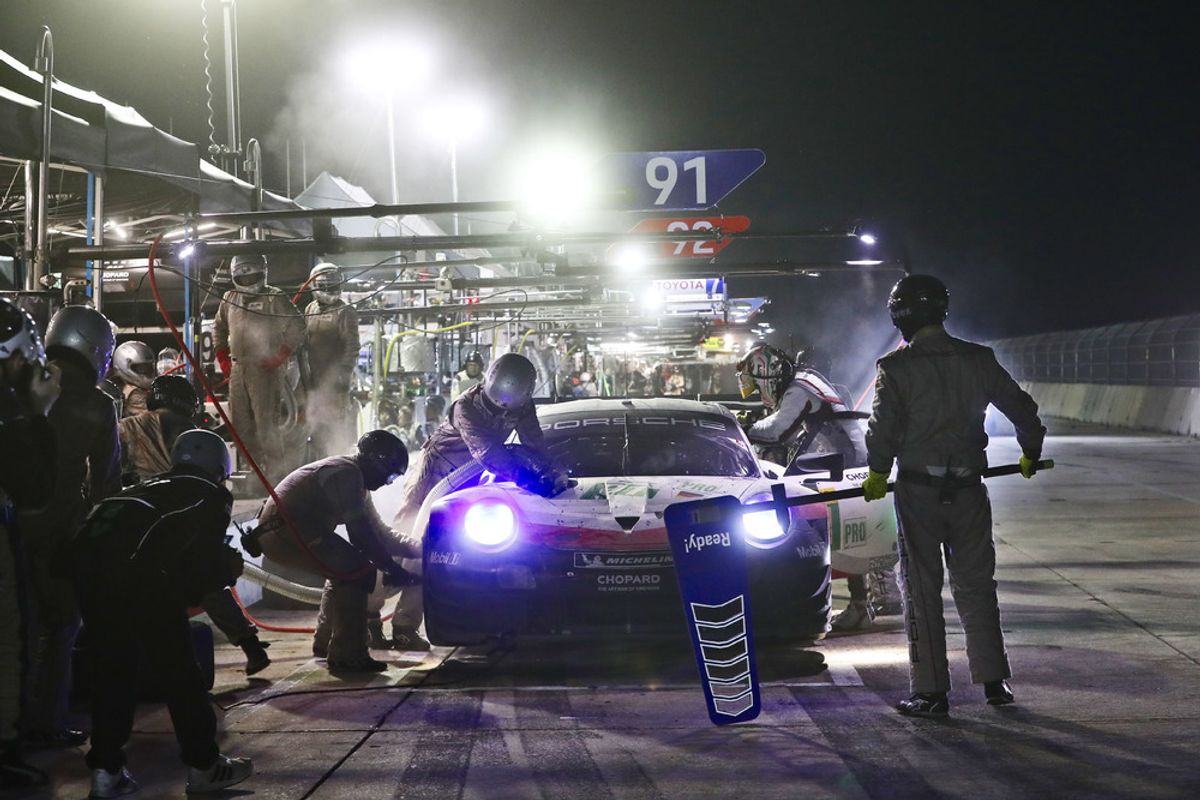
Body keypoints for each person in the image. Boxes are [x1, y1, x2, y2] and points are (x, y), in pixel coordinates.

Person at [860, 274, 1046, 718]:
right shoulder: (979, 359)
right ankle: (994, 682)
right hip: (968, 490)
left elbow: (882, 431)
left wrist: (877, 472)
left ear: (900, 315)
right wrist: (1030, 453)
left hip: (919, 492)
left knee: (921, 589)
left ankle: (931, 692)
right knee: (977, 584)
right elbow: (1024, 412)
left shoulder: (896, 367)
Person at [70, 429, 253, 796]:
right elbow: (202, 568)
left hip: (87, 574)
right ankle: (204, 766)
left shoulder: (143, 487)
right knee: (180, 673)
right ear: (220, 468)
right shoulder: (210, 494)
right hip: (141, 578)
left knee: (114, 674)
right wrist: (226, 569)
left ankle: (106, 772)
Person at [387, 353, 564, 650]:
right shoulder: (465, 407)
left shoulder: (523, 407)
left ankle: (404, 625)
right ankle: (368, 613)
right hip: (433, 475)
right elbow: (488, 453)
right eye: (497, 406)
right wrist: (524, 475)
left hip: (467, 480)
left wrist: (553, 471)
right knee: (404, 544)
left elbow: (535, 443)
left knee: (437, 553)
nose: (504, 411)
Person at [117, 375, 271, 675]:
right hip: (187, 516)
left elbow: (106, 472)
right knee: (207, 572)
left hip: (141, 517)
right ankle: (249, 645)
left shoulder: (126, 427)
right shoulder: (193, 433)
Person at [20, 305, 122, 750]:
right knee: (60, 627)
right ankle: (46, 722)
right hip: (60, 532)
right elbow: (107, 485)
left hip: (12, 525)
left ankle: (12, 724)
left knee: (16, 628)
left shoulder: (21, 383)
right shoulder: (99, 405)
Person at [736, 343, 894, 631]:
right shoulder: (806, 381)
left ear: (766, 374)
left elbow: (778, 431)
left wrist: (743, 428)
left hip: (843, 463)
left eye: (757, 385)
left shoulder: (799, 389)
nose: (759, 392)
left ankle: (849, 604)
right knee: (850, 542)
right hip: (846, 460)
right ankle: (861, 605)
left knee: (827, 535)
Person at [255, 430, 418, 673]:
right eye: (390, 474)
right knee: (358, 570)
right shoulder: (346, 473)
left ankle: (326, 643)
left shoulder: (357, 480)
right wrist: (390, 567)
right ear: (375, 463)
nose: (389, 482)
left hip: (289, 531)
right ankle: (348, 654)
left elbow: (380, 533)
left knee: (344, 570)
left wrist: (421, 549)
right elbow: (360, 533)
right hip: (284, 532)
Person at [0, 298, 60, 790]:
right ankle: (5, 747)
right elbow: (36, 490)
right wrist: (39, 415)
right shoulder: (9, 412)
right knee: (10, 638)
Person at [213, 253, 306, 483]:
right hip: (238, 369)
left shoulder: (274, 297)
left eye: (251, 277)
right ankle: (254, 472)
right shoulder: (230, 298)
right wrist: (222, 356)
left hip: (265, 369)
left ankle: (276, 476)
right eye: (242, 278)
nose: (247, 282)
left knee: (267, 426)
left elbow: (298, 326)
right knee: (240, 426)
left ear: (262, 274)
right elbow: (219, 328)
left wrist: (280, 355)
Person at [304, 262, 360, 458]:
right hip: (314, 381)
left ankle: (339, 460)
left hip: (335, 382)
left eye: (333, 285)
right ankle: (319, 463)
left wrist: (342, 375)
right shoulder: (310, 309)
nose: (330, 290)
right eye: (325, 286)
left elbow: (352, 347)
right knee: (316, 427)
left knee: (336, 428)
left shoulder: (345, 312)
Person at [110, 340, 155, 418]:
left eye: (148, 367)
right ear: (123, 366)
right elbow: (155, 418)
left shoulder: (117, 387)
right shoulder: (134, 395)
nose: (146, 371)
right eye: (141, 368)